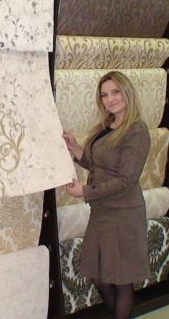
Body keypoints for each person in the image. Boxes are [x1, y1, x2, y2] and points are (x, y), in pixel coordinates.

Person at [63, 70, 150, 319]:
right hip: (101, 213)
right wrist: (76, 148)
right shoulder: (106, 126)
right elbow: (99, 165)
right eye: (104, 95)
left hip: (123, 214)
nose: (110, 99)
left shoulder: (136, 130)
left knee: (121, 280)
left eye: (115, 92)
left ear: (127, 92)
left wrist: (84, 191)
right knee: (98, 276)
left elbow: (126, 179)